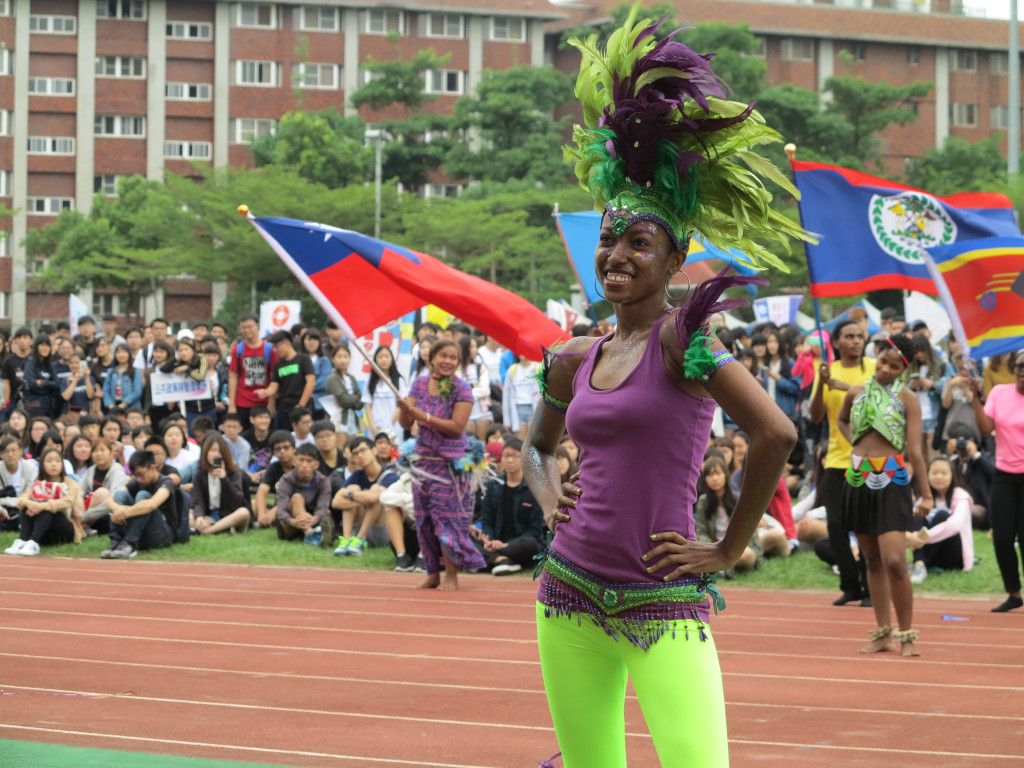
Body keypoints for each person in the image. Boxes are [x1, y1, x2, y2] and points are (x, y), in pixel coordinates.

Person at [521, 12, 808, 765]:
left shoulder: (687, 342)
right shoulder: (572, 358)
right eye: (608, 239)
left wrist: (727, 548)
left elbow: (776, 433)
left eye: (637, 242)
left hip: (663, 600)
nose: (615, 254)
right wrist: (551, 502)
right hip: (568, 594)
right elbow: (533, 448)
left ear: (675, 255)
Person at [837, 334, 930, 657]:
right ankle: (884, 633)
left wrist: (927, 494)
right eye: (883, 362)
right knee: (872, 559)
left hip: (893, 480)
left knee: (894, 561)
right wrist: (855, 446)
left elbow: (917, 452)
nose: (886, 369)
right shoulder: (855, 392)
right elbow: (842, 420)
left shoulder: (908, 399)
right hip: (858, 479)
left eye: (895, 366)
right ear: (876, 356)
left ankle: (907, 635)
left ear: (905, 368)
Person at [397, 338, 487, 590]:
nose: (448, 361)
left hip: (450, 467)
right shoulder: (419, 384)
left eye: (453, 357)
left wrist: (424, 417)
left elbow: (456, 427)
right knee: (424, 519)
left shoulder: (462, 389)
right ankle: (432, 572)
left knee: (446, 520)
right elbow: (407, 423)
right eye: (443, 356)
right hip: (422, 464)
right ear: (432, 358)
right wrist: (405, 410)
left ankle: (451, 574)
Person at [810, 318, 876, 606]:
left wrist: (843, 386)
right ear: (835, 343)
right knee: (836, 526)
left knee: (865, 526)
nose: (856, 341)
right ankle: (850, 585)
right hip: (837, 461)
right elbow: (815, 416)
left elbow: (881, 400)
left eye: (859, 336)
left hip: (869, 459)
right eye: (849, 336)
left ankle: (871, 587)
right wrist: (822, 385)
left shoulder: (874, 368)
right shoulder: (827, 371)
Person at [971, 349, 1024, 612]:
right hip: (1003, 474)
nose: (1023, 371)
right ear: (1014, 368)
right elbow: (984, 429)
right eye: (1020, 366)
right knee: (1002, 537)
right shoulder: (1000, 393)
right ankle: (1014, 593)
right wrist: (973, 399)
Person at [474, 437, 545, 575]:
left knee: (531, 544)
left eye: (515, 456)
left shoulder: (533, 489)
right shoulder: (492, 485)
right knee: (466, 537)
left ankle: (492, 558)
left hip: (520, 544)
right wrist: (489, 540)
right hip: (497, 540)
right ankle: (502, 560)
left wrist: (505, 545)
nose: (510, 460)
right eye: (506, 455)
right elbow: (487, 521)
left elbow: (535, 531)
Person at [906, 456, 974, 583]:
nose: (938, 477)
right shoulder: (924, 499)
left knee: (942, 515)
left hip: (954, 556)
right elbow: (911, 523)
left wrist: (923, 537)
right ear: (927, 475)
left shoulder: (961, 496)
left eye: (943, 473)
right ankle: (920, 564)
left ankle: (920, 564)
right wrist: (911, 537)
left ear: (952, 475)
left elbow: (955, 525)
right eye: (934, 473)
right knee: (917, 515)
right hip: (931, 554)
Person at [330, 435, 399, 556]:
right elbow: (336, 502)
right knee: (353, 489)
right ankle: (346, 539)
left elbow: (374, 498)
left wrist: (352, 495)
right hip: (360, 523)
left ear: (374, 451)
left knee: (376, 491)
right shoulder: (358, 475)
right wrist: (357, 495)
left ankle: (360, 539)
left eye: (362, 450)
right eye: (355, 453)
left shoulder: (389, 476)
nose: (359, 456)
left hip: (382, 532)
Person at [4, 447, 79, 556]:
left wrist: (42, 505)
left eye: (57, 461)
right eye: (49, 461)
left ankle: (34, 542)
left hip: (63, 528)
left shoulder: (70, 483)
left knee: (44, 510)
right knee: (27, 507)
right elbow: (21, 500)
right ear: (42, 464)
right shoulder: (38, 483)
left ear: (62, 464)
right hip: (43, 529)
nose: (54, 464)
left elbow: (67, 502)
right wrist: (31, 504)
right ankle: (23, 541)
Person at [103, 449, 177, 559]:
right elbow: (109, 500)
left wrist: (125, 513)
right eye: (135, 476)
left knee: (143, 496)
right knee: (120, 495)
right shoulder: (137, 481)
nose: (139, 479)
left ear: (152, 467)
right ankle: (116, 541)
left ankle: (129, 543)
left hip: (162, 535)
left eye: (141, 474)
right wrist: (117, 509)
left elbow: (151, 504)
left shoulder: (167, 482)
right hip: (142, 532)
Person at [693, 456, 762, 575]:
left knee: (747, 555)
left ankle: (719, 569)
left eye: (718, 473)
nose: (714, 478)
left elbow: (749, 531)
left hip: (737, 549)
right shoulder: (703, 501)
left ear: (725, 474)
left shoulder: (739, 499)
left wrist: (730, 549)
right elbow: (701, 531)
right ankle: (721, 568)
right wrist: (711, 548)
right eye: (709, 475)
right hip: (714, 548)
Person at [191, 434, 252, 535]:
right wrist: (199, 516)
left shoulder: (234, 472)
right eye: (212, 450)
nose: (216, 455)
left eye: (219, 451)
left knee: (243, 513)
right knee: (188, 516)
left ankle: (207, 531)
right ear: (205, 452)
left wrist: (224, 479)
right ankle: (219, 528)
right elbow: (198, 499)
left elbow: (237, 501)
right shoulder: (201, 473)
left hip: (230, 515)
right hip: (209, 515)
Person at [228, 312, 278, 430]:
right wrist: (231, 405)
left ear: (257, 326)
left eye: (250, 326)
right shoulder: (237, 350)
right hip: (243, 402)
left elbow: (274, 378)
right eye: (243, 328)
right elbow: (233, 377)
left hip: (264, 401)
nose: (246, 330)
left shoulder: (270, 349)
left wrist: (272, 401)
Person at [274, 442, 332, 545]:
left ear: (316, 464)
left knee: (327, 513)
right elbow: (281, 510)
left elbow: (322, 507)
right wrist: (293, 521)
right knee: (296, 498)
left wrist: (313, 519)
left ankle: (314, 535)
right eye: (301, 460)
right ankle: (310, 534)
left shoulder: (323, 481)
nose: (304, 465)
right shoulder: (286, 479)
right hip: (291, 525)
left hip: (314, 521)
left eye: (309, 461)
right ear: (295, 461)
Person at [260, 330, 315, 431]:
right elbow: (274, 386)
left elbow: (310, 381)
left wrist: (301, 405)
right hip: (284, 408)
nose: (275, 350)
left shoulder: (303, 359)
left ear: (287, 343)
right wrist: (266, 392)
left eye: (277, 346)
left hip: (302, 405)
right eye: (274, 347)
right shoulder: (278, 365)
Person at [76, 437, 127, 535]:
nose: (99, 454)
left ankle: (80, 524)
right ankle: (82, 526)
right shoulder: (91, 470)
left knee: (102, 493)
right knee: (77, 494)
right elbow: (80, 490)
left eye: (102, 450)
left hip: (108, 513)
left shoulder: (117, 471)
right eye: (95, 451)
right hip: (88, 512)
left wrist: (85, 516)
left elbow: (114, 498)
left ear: (111, 453)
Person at [162, 337, 214, 430]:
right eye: (180, 350)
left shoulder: (202, 359)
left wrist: (186, 369)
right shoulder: (178, 362)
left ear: (193, 350)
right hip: (190, 408)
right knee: (192, 432)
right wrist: (175, 359)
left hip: (207, 406)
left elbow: (200, 377)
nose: (183, 352)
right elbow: (163, 369)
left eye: (186, 349)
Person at [324, 342, 364, 449]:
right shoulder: (332, 378)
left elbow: (360, 400)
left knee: (351, 449)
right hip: (338, 419)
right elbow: (343, 400)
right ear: (333, 359)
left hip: (351, 418)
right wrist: (354, 399)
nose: (343, 360)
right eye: (339, 357)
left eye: (345, 357)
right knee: (340, 450)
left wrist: (353, 399)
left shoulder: (351, 377)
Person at [253, 430, 296, 529]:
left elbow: (297, 497)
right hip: (277, 508)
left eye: (286, 447)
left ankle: (274, 519)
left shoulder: (301, 467)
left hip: (294, 506)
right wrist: (262, 515)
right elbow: (261, 492)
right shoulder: (273, 467)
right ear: (273, 452)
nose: (282, 451)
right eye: (278, 449)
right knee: (253, 505)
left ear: (294, 449)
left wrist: (275, 511)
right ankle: (269, 520)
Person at [363, 345, 405, 436]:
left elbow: (401, 405)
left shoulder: (399, 380)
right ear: (375, 360)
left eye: (386, 356)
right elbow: (368, 406)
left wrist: (390, 424)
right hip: (376, 428)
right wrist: (372, 426)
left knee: (392, 450)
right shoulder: (370, 381)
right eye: (380, 357)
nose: (383, 360)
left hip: (394, 426)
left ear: (392, 359)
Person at [0, 435, 37, 532]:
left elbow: (30, 496)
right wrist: (1, 510)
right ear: (1, 454)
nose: (10, 454)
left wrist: (4, 501)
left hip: (24, 507)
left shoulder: (30, 469)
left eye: (13, 450)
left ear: (21, 451)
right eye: (6, 451)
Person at [501, 354, 540, 440]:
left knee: (532, 442)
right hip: (517, 410)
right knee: (520, 442)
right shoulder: (512, 370)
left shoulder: (538, 368)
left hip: (534, 409)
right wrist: (507, 422)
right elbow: (506, 396)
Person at [21, 335, 61, 418]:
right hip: (34, 406)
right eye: (42, 345)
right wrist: (49, 387)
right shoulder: (30, 362)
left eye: (47, 345)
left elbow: (57, 385)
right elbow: (31, 384)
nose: (45, 348)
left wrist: (43, 383)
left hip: (49, 407)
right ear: (36, 347)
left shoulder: (49, 364)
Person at [102, 343, 143, 412]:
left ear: (129, 354)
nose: (121, 355)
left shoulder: (135, 371)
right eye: (118, 352)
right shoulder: (111, 371)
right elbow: (105, 390)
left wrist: (124, 404)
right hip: (113, 406)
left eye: (124, 352)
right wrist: (110, 404)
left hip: (131, 407)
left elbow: (137, 391)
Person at [301, 328, 332, 418]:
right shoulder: (299, 359)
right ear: (303, 341)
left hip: (318, 404)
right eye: (309, 339)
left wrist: (305, 387)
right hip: (301, 402)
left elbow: (324, 382)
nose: (312, 342)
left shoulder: (324, 360)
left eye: (315, 339)